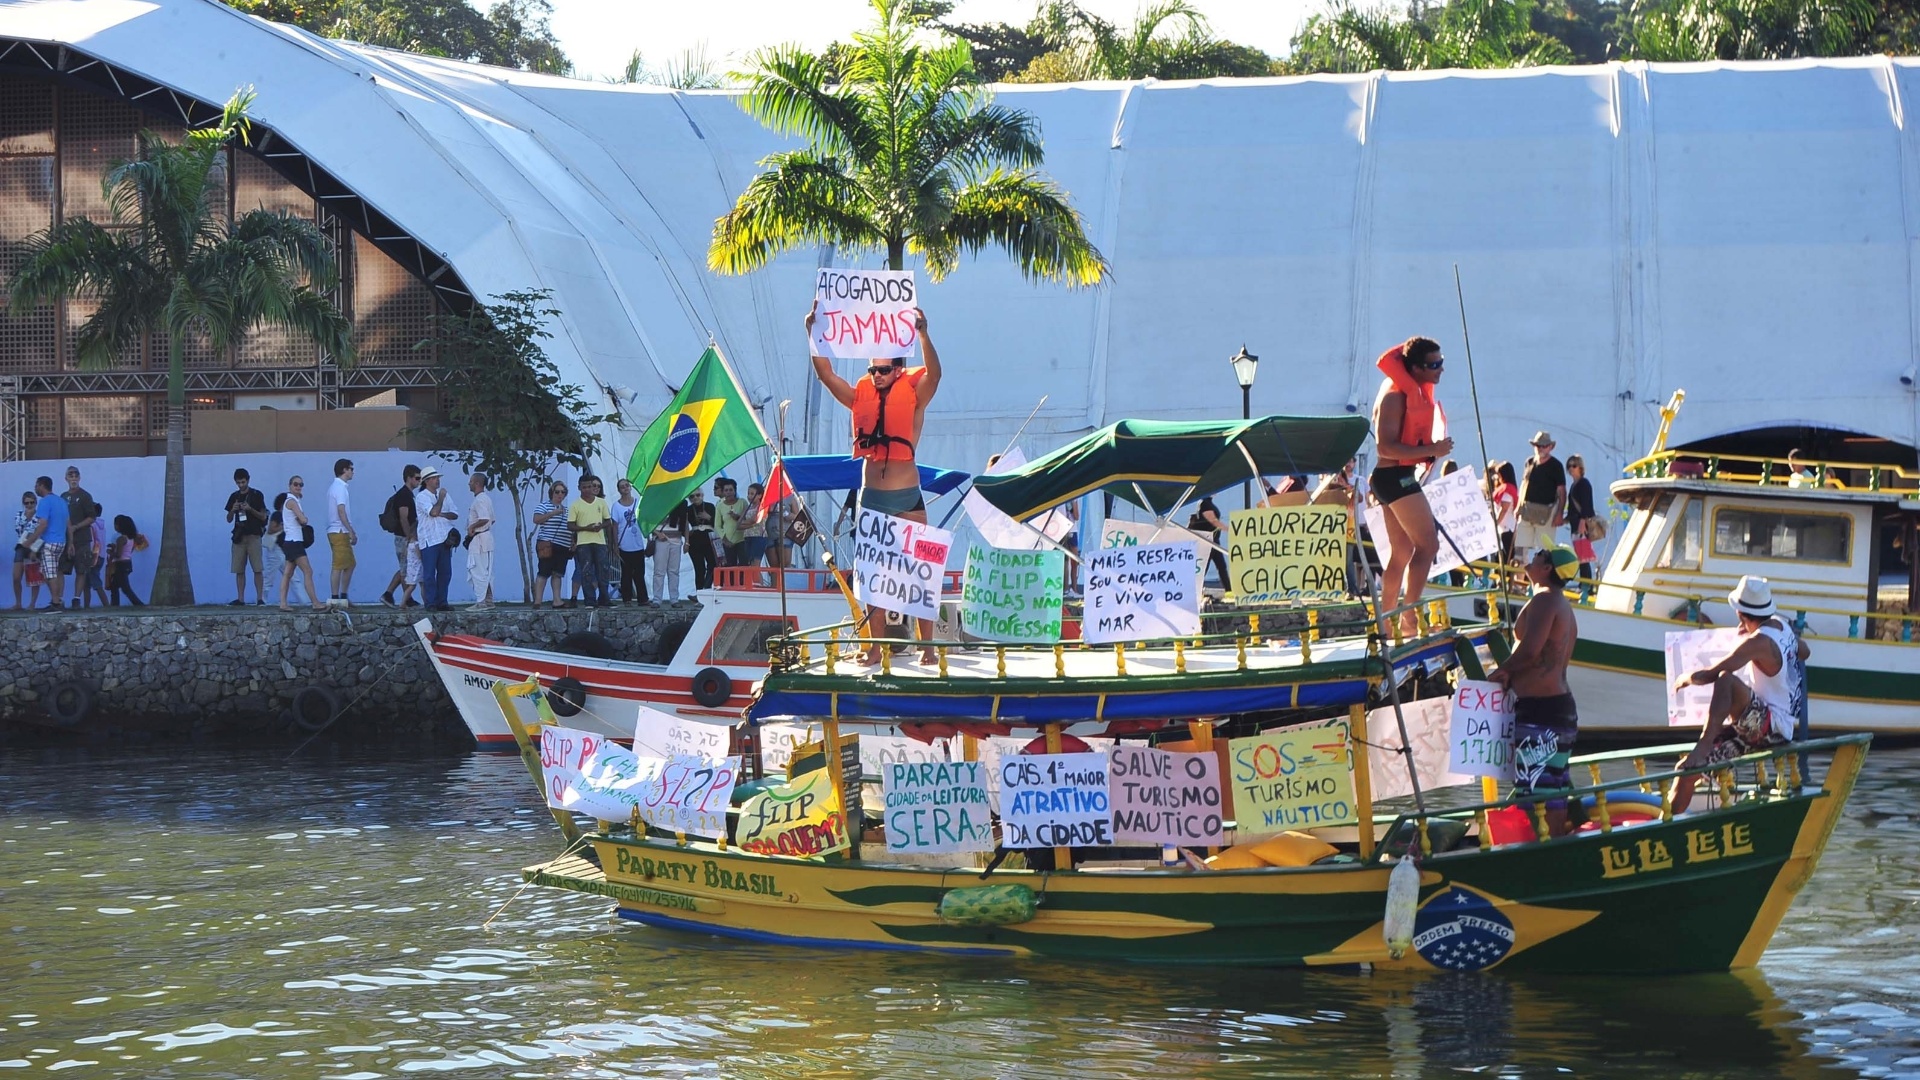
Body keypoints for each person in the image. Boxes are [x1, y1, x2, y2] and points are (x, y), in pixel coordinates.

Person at [806, 303, 943, 665]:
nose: (877, 375)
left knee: (919, 575)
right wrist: (813, 331)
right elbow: (826, 375)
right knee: (872, 580)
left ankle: (927, 648)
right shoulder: (860, 398)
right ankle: (875, 647)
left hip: (906, 496)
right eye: (872, 370)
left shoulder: (915, 398)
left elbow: (935, 374)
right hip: (871, 499)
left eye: (883, 370)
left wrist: (924, 333)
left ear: (898, 370)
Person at [1670, 576, 1808, 814]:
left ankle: (1704, 743)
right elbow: (1805, 651)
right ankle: (1669, 818)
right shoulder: (1781, 627)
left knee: (1726, 679)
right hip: (1764, 727)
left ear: (1741, 613)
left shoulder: (1758, 642)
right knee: (1687, 770)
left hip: (1770, 727)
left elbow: (1711, 674)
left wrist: (1686, 678)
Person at [1490, 545, 1582, 836]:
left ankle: (1549, 851)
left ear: (1547, 568)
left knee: (1539, 787)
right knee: (1551, 783)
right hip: (1556, 707)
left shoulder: (1545, 599)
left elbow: (1530, 651)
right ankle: (1554, 843)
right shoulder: (1562, 604)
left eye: (1539, 555)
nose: (1532, 558)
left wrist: (1502, 671)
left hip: (1543, 710)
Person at [1369, 337, 1454, 637]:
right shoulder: (1395, 397)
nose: (1440, 370)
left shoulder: (1412, 393)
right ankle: (1409, 619)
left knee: (1402, 552)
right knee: (1428, 545)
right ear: (1415, 368)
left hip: (1394, 478)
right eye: (1433, 365)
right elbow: (1386, 449)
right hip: (1393, 478)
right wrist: (1433, 448)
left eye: (1441, 362)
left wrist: (1428, 452)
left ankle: (1387, 624)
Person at [277, 476, 327, 611]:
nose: (298, 487)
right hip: (294, 542)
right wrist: (304, 518)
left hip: (290, 541)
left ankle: (283, 603)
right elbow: (303, 520)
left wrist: (302, 518)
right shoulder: (292, 501)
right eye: (295, 484)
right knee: (308, 571)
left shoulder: (293, 501)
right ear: (290, 486)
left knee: (287, 574)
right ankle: (315, 602)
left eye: (300, 484)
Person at [414, 466, 458, 611]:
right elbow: (433, 512)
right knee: (429, 574)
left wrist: (442, 514)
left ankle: (442, 601)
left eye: (437, 478)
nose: (437, 480)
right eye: (434, 478)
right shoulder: (422, 497)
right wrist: (441, 499)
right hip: (429, 539)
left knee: (445, 573)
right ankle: (431, 602)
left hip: (444, 538)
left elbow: (454, 514)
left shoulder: (443, 494)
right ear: (426, 481)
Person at [1515, 432, 1566, 556]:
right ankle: (1519, 574)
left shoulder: (1556, 466)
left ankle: (1542, 574)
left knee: (1545, 551)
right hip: (1527, 510)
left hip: (1547, 512)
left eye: (1544, 446)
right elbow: (1524, 484)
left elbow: (1562, 491)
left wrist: (1559, 513)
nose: (1541, 449)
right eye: (1538, 446)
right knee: (1520, 550)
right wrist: (1518, 506)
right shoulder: (1529, 462)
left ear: (1550, 447)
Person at [379, 464, 422, 608]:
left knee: (406, 567)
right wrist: (409, 536)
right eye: (417, 478)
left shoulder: (408, 494)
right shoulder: (404, 495)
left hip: (404, 536)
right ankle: (407, 599)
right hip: (403, 537)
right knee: (406, 569)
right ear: (409, 478)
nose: (419, 481)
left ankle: (388, 594)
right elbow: (404, 517)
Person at [225, 467, 269, 606]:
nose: (241, 485)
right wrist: (233, 510)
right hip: (239, 537)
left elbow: (263, 516)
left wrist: (250, 509)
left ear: (248, 480)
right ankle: (241, 598)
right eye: (238, 483)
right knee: (239, 569)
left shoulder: (257, 495)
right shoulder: (234, 497)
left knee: (257, 568)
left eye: (243, 482)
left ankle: (259, 598)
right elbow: (228, 519)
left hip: (254, 536)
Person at [568, 474, 613, 608]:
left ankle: (604, 599)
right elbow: (570, 525)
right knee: (586, 571)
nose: (587, 489)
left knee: (603, 571)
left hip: (600, 542)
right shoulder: (575, 505)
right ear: (579, 488)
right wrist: (585, 528)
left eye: (590, 486)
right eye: (584, 487)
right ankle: (590, 600)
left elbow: (608, 521)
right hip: (583, 543)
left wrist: (600, 526)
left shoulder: (601, 502)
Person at [25, 475, 69, 610]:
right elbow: (68, 523)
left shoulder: (45, 502)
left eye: (36, 485)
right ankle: (57, 600)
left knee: (50, 574)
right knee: (51, 571)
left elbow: (42, 525)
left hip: (49, 542)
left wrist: (30, 542)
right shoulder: (61, 501)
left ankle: (56, 603)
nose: (35, 488)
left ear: (41, 485)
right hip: (61, 542)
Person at [532, 480, 574, 609]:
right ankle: (537, 601)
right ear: (552, 492)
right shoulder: (544, 506)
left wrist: (573, 542)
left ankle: (557, 600)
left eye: (563, 492)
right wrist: (552, 513)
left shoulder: (567, 510)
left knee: (558, 574)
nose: (560, 494)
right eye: (557, 492)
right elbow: (536, 519)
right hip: (547, 544)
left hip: (563, 545)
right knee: (543, 572)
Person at [60, 466, 97, 609]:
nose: (73, 478)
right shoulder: (63, 496)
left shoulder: (85, 496)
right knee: (61, 569)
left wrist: (76, 527)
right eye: (71, 475)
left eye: (76, 475)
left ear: (79, 478)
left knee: (81, 569)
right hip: (65, 539)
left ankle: (76, 599)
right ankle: (60, 599)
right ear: (66, 478)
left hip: (82, 539)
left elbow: (92, 517)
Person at [267, 492, 309, 608]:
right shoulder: (278, 515)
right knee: (271, 576)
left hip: (285, 549)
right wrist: (285, 524)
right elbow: (270, 530)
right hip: (276, 549)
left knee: (291, 576)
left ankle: (303, 601)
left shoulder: (289, 514)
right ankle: (263, 600)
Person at [612, 477, 649, 605]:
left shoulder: (638, 503)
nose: (625, 488)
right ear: (619, 490)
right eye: (622, 486)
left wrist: (648, 538)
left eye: (627, 485)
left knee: (640, 574)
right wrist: (615, 545)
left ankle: (643, 599)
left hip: (638, 544)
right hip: (624, 545)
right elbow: (615, 526)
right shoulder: (616, 506)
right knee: (626, 574)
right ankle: (627, 599)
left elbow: (644, 521)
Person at [325, 458, 357, 606]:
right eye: (351, 468)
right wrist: (350, 530)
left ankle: (342, 596)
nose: (352, 471)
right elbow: (341, 510)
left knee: (350, 563)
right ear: (344, 470)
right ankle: (335, 598)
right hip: (339, 530)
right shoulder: (340, 487)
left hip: (339, 529)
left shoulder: (337, 487)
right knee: (338, 565)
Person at [465, 472, 496, 609]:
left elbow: (485, 518)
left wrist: (473, 527)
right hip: (484, 538)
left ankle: (481, 601)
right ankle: (488, 600)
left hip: (480, 539)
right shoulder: (486, 499)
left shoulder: (479, 500)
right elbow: (492, 519)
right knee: (485, 570)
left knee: (478, 570)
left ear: (477, 483)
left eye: (471, 481)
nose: (469, 484)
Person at [1564, 454, 1597, 585]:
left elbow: (1587, 504)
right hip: (1575, 523)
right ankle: (1585, 583)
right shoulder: (1574, 485)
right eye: (1569, 466)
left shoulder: (1583, 483)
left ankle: (1586, 584)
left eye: (1574, 465)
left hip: (1581, 524)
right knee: (1581, 555)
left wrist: (1583, 521)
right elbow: (1573, 507)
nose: (1571, 468)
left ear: (1580, 467)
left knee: (1583, 556)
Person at [652, 496, 688, 603]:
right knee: (659, 571)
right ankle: (657, 599)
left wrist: (687, 541)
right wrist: (657, 533)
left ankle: (674, 599)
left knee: (674, 571)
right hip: (661, 540)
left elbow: (685, 523)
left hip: (676, 540)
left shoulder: (681, 502)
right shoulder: (657, 502)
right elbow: (648, 521)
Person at [104, 514, 144, 607]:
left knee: (125, 588)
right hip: (127, 563)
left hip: (120, 565)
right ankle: (114, 605)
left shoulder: (121, 539)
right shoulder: (131, 538)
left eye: (116, 524)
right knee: (114, 586)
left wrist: (110, 552)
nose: (115, 527)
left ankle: (138, 604)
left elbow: (118, 554)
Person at [1189, 496, 1229, 590]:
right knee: (1205, 567)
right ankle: (1195, 589)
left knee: (1221, 566)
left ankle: (1228, 590)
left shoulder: (1208, 502)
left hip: (1214, 541)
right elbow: (1213, 521)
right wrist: (1229, 529)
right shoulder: (1204, 503)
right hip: (1208, 541)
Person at [685, 487, 718, 591]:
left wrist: (709, 518)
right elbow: (683, 525)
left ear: (702, 495)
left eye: (698, 495)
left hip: (709, 538)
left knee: (713, 565)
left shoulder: (710, 506)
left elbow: (718, 524)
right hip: (695, 540)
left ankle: (706, 588)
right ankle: (699, 592)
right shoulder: (688, 510)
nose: (695, 498)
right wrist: (686, 538)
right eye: (692, 496)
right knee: (699, 568)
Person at [13, 490, 40, 610]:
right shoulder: (19, 515)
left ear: (35, 502)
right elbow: (19, 529)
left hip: (34, 547)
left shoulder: (40, 515)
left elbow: (40, 533)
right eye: (27, 503)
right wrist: (28, 517)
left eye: (31, 502)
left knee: (34, 577)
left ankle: (32, 604)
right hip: (21, 546)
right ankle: (18, 603)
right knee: (16, 577)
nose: (29, 505)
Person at [1488, 460, 1519, 564]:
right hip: (1503, 528)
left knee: (1506, 559)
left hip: (1507, 529)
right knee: (1500, 558)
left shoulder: (1507, 490)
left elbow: (1504, 508)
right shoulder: (1509, 488)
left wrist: (1496, 522)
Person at [714, 478, 748, 568]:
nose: (728, 492)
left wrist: (737, 517)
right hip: (728, 541)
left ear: (735, 491)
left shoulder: (743, 502)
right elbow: (717, 525)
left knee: (744, 565)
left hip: (743, 540)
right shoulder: (719, 506)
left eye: (731, 490)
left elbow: (748, 518)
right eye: (726, 490)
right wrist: (725, 540)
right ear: (723, 492)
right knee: (731, 567)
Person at [741, 482, 769, 568]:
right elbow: (739, 524)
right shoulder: (748, 507)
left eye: (752, 494)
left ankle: (758, 582)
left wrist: (746, 523)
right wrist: (749, 524)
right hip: (748, 536)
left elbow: (756, 519)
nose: (749, 496)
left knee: (755, 565)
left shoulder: (762, 506)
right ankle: (754, 581)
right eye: (748, 493)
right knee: (750, 564)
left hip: (759, 536)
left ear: (760, 495)